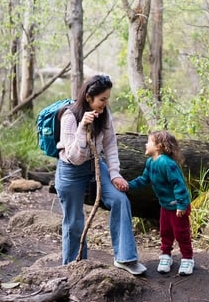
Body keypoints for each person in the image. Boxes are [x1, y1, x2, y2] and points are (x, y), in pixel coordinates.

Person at [54, 74, 147, 275]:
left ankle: (125, 258)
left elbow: (110, 145)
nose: (105, 103)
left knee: (120, 200)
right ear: (89, 97)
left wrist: (114, 174)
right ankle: (74, 265)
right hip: (70, 170)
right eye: (102, 99)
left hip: (95, 165)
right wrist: (82, 129)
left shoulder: (104, 114)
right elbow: (74, 157)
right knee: (74, 220)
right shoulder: (69, 116)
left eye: (107, 99)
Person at [128, 130, 194, 276]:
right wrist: (128, 185)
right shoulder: (150, 162)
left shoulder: (167, 163)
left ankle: (188, 258)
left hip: (178, 206)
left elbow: (179, 184)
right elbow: (144, 179)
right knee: (165, 231)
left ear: (158, 146)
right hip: (165, 205)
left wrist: (181, 204)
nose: (146, 144)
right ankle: (166, 256)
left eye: (149, 142)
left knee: (181, 233)